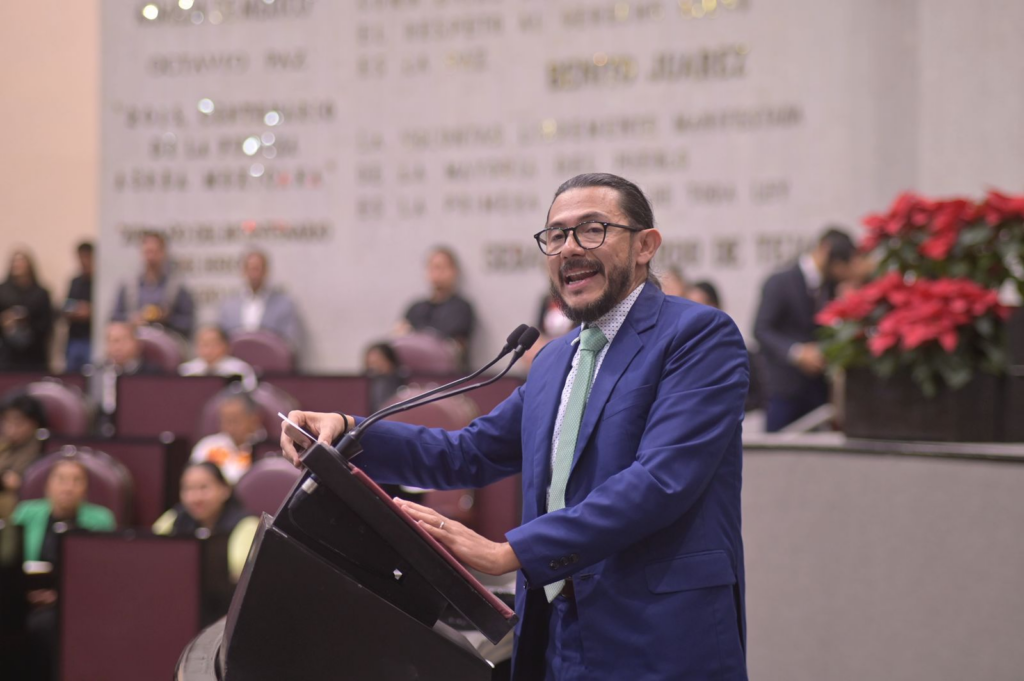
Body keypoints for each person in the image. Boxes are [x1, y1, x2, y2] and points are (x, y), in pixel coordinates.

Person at [283, 173, 750, 680]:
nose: (570, 248)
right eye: (556, 235)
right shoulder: (553, 360)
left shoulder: (697, 336)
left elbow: (661, 481)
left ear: (645, 245)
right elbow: (468, 453)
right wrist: (348, 433)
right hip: (555, 635)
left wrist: (513, 552)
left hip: (659, 635)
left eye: (592, 229)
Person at [13, 456, 116, 680]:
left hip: (74, 602)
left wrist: (58, 596)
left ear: (86, 489)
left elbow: (104, 576)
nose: (68, 487)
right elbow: (12, 563)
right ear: (47, 486)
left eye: (76, 480)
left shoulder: (101, 520)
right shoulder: (25, 514)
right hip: (24, 596)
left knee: (42, 626)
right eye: (61, 479)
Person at [753, 227, 857, 432]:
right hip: (785, 390)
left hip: (819, 391)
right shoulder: (780, 282)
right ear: (825, 250)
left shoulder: (833, 287)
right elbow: (761, 329)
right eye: (840, 263)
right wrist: (797, 353)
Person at [152, 462, 258, 581]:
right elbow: (150, 551)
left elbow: (240, 575)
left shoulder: (247, 524)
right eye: (188, 489)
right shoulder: (177, 517)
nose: (195, 498)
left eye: (203, 487)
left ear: (225, 490)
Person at [111, 231, 195, 338]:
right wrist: (131, 320)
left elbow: (188, 323)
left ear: (163, 253)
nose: (151, 257)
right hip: (135, 341)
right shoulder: (128, 286)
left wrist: (168, 318)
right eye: (148, 252)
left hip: (166, 341)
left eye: (155, 252)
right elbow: (114, 318)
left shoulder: (176, 287)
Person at [398, 247, 476, 354]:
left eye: (442, 268)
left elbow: (455, 345)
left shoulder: (461, 308)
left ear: (454, 271)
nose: (437, 273)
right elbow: (400, 337)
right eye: (433, 268)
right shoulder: (415, 308)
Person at [218, 250, 302, 349]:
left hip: (270, 357)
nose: (254, 274)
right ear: (244, 271)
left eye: (257, 269)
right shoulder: (228, 305)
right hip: (236, 356)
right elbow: (221, 340)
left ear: (266, 271)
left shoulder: (284, 304)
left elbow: (289, 341)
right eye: (251, 269)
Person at [92, 321, 164, 427]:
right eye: (111, 341)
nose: (117, 348)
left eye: (122, 341)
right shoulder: (96, 373)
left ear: (137, 343)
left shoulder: (152, 374)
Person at [190, 393, 265, 484]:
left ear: (253, 420)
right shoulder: (207, 447)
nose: (229, 428)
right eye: (224, 421)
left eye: (234, 421)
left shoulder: (265, 449)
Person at [0, 250, 53, 372]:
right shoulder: (2, 291)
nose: (17, 265)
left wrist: (26, 320)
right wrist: (5, 319)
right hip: (7, 354)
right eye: (15, 262)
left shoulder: (40, 293)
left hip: (34, 353)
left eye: (21, 261)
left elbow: (47, 323)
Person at [0, 393, 47, 518]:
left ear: (34, 423)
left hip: (19, 506)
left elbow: (15, 482)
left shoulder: (41, 448)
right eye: (6, 422)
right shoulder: (3, 443)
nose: (11, 429)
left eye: (18, 423)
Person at [179, 326, 258, 391]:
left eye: (213, 344)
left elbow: (249, 398)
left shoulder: (240, 370)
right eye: (204, 344)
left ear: (226, 346)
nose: (208, 350)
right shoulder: (186, 370)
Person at [63, 242, 94, 373]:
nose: (84, 261)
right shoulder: (75, 282)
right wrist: (74, 311)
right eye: (81, 257)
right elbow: (66, 306)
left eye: (87, 257)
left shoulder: (99, 282)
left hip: (92, 338)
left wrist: (91, 311)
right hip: (75, 337)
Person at [364, 341, 406, 412]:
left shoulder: (400, 380)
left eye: (378, 362)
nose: (374, 368)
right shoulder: (365, 384)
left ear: (390, 361)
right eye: (370, 364)